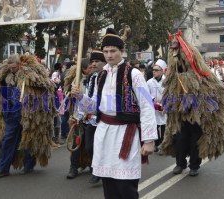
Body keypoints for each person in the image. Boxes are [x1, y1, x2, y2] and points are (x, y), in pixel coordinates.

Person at [71, 28, 157, 199]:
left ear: (122, 51)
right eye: (106, 51)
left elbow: (147, 106)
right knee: (108, 185)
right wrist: (81, 97)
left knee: (125, 186)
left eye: (113, 51)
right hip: (104, 135)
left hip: (126, 134)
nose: (109, 55)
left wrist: (148, 140)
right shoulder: (100, 76)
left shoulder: (134, 75)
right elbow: (94, 107)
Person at [160, 32, 224, 177]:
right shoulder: (173, 78)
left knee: (195, 141)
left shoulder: (202, 75)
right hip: (180, 117)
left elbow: (215, 92)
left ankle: (194, 165)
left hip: (197, 116)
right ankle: (180, 164)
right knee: (179, 140)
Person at [0, 54, 56, 177]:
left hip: (28, 112)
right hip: (11, 112)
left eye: (13, 67)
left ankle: (28, 164)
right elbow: (5, 91)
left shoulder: (28, 74)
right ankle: (3, 168)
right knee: (8, 139)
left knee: (28, 138)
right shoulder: (5, 75)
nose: (11, 70)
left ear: (19, 64)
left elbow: (43, 87)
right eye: (9, 67)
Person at [64, 58, 93, 179]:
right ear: (84, 69)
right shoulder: (77, 80)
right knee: (76, 142)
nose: (91, 69)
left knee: (90, 144)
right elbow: (68, 94)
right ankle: (73, 167)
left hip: (92, 116)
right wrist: (71, 91)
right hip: (78, 115)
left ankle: (94, 167)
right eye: (89, 68)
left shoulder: (96, 79)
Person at [84, 49, 106, 184]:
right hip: (91, 118)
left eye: (97, 61)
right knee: (89, 147)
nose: (93, 64)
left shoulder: (108, 76)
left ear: (104, 62)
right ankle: (96, 169)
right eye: (92, 61)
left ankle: (99, 171)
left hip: (105, 120)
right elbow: (89, 98)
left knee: (102, 148)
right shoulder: (92, 77)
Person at [147, 60, 167, 155]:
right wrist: (154, 99)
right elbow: (146, 94)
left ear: (162, 71)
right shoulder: (149, 82)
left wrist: (165, 102)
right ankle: (157, 144)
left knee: (164, 128)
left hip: (165, 108)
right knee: (155, 127)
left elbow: (171, 93)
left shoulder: (167, 81)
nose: (153, 71)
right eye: (153, 69)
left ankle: (163, 146)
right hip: (154, 108)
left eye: (156, 70)